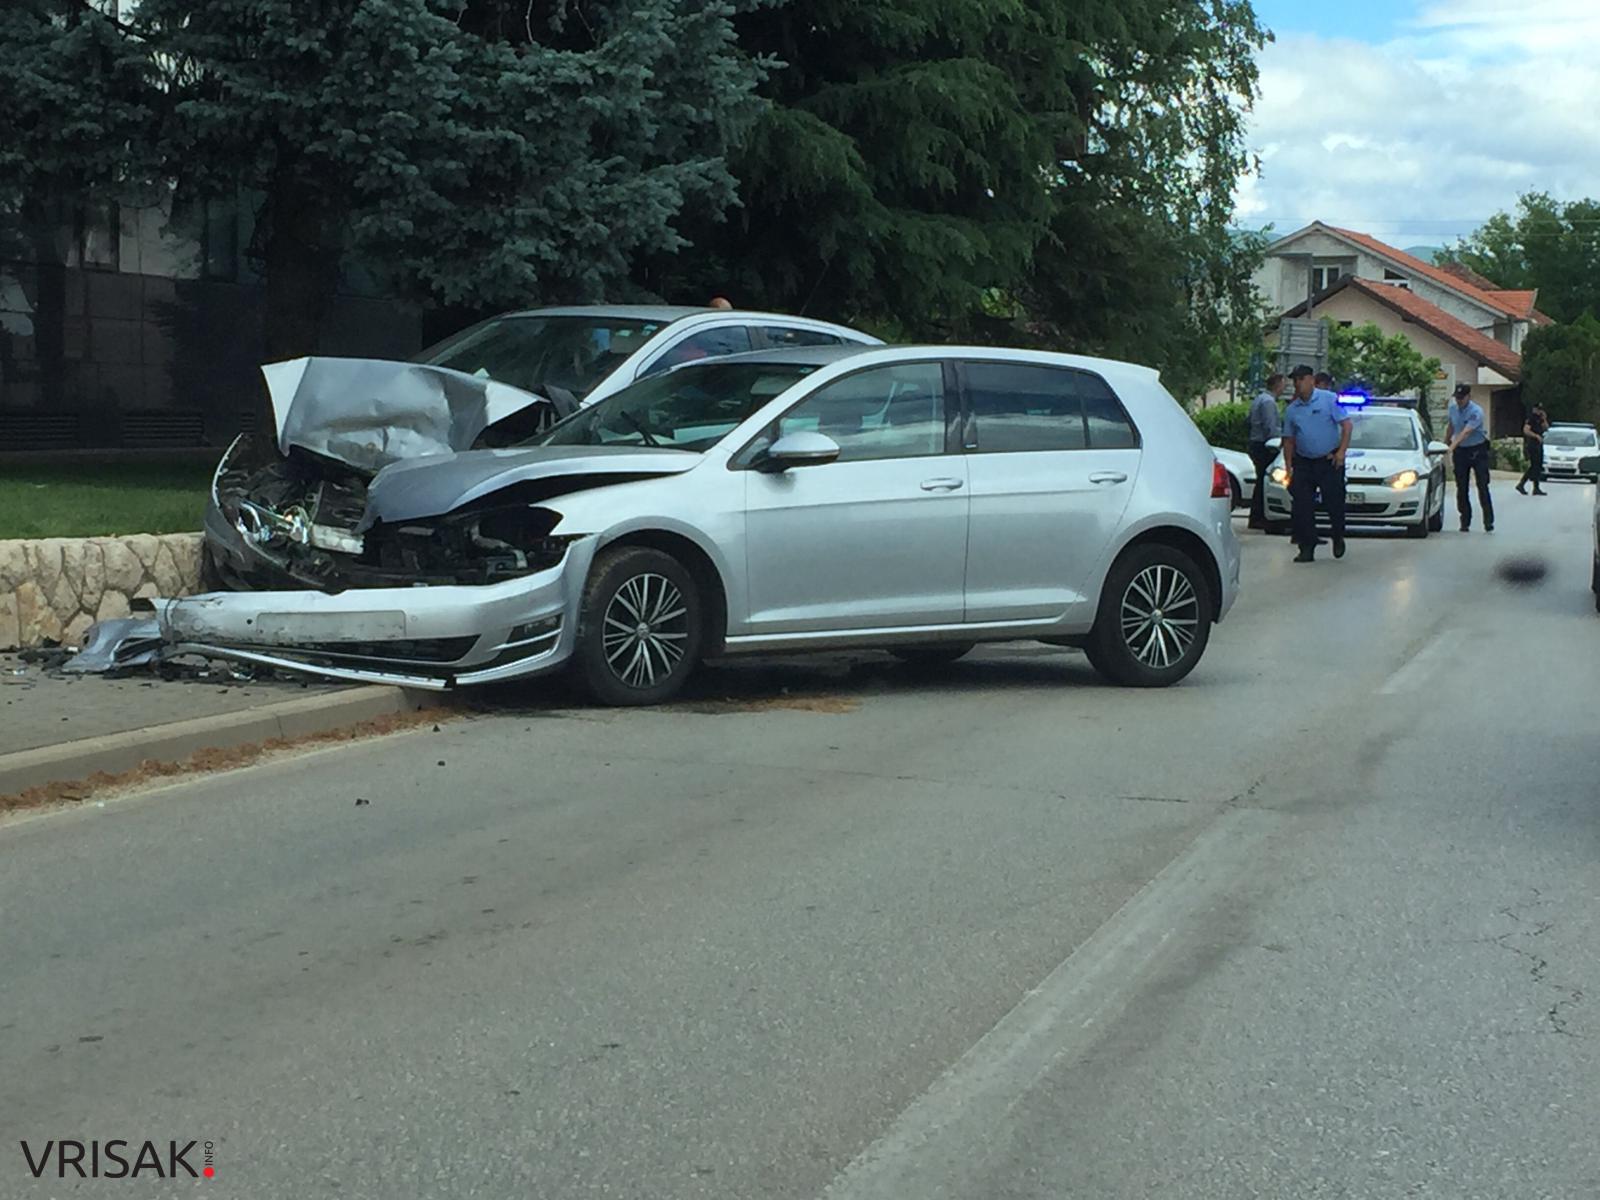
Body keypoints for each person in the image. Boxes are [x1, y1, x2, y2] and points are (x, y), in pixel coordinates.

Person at [1281, 364, 1353, 563]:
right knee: (1302, 507)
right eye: (1295, 379)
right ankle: (1307, 546)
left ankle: (1337, 535)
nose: (1298, 383)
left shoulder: (1328, 399)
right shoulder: (1292, 409)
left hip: (1329, 462)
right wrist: (1288, 466)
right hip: (1304, 462)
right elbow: (1288, 439)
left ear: (1311, 380)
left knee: (1334, 503)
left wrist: (1341, 452)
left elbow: (1346, 425)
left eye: (1301, 379)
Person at [1446, 383, 1494, 531]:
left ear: (1469, 397)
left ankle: (1488, 520)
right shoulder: (1453, 409)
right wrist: (1445, 442)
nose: (1459, 401)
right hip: (1461, 452)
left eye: (1462, 398)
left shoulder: (1476, 411)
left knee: (1482, 485)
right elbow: (1452, 426)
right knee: (1461, 487)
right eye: (1457, 398)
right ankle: (1465, 521)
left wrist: (1451, 447)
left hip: (1477, 450)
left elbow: (1466, 432)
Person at [1246, 373, 1285, 530]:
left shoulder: (1259, 398)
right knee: (1265, 481)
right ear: (1277, 385)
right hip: (1265, 445)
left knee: (1261, 480)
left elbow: (1248, 420)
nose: (1284, 388)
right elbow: (1271, 427)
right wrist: (1278, 443)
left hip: (1255, 443)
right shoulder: (1269, 402)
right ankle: (1259, 517)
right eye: (1283, 384)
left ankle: (1256, 516)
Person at [1518, 403, 1549, 495]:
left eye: (1540, 409)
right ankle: (1522, 484)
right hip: (1532, 444)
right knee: (1534, 466)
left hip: (1539, 444)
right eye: (1538, 409)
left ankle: (1535, 488)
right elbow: (1526, 430)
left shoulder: (1540, 418)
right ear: (1534, 409)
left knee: (1537, 466)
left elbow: (1546, 428)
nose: (1539, 411)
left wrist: (1544, 419)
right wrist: (1535, 436)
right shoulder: (1531, 418)